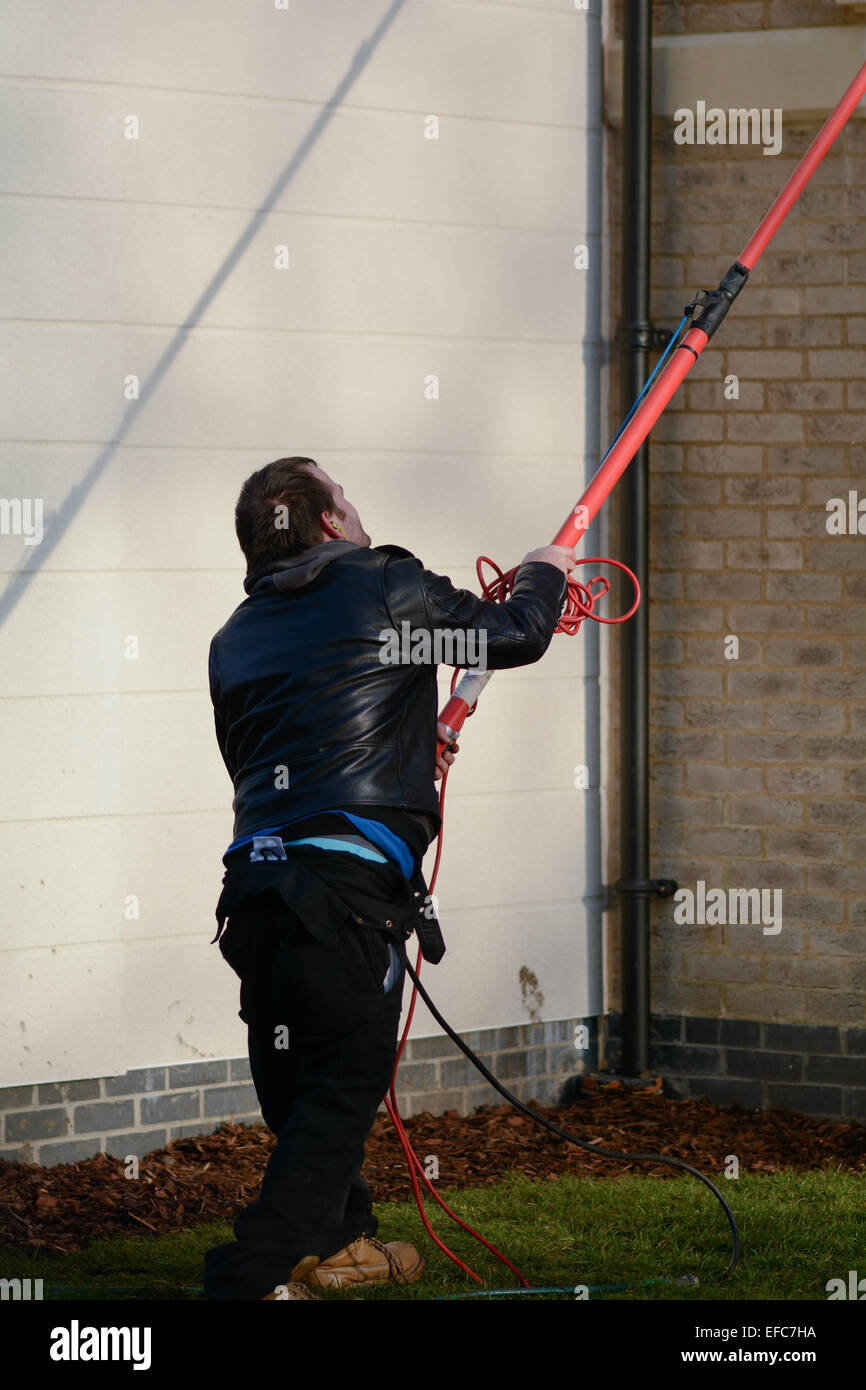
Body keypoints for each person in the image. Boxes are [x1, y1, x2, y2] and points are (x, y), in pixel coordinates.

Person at [203, 455, 576, 1300]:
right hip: (342, 898)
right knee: (337, 1093)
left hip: (256, 900)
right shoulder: (381, 583)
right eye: (347, 497)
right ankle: (248, 1276)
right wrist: (546, 574)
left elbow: (268, 757)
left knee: (297, 1087)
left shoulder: (233, 637)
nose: (357, 510)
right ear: (328, 521)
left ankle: (342, 1245)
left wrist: (407, 753)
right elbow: (509, 633)